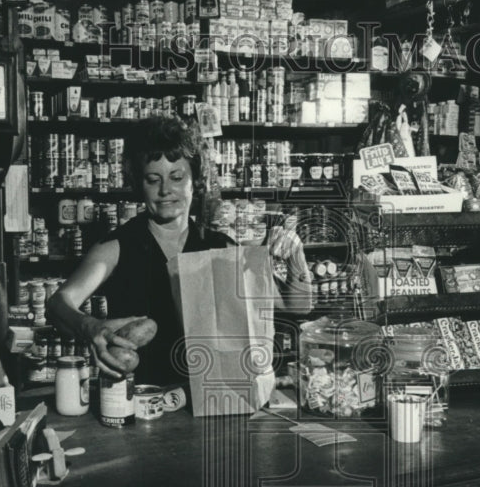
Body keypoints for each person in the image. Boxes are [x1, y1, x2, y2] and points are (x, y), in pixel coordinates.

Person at [46, 116, 312, 385]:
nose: (165, 190)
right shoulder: (117, 247)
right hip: (137, 397)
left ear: (194, 179)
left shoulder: (219, 246)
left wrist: (295, 255)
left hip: (208, 397)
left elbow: (296, 306)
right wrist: (90, 327)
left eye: (176, 177)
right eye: (153, 179)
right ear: (139, 183)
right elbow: (58, 303)